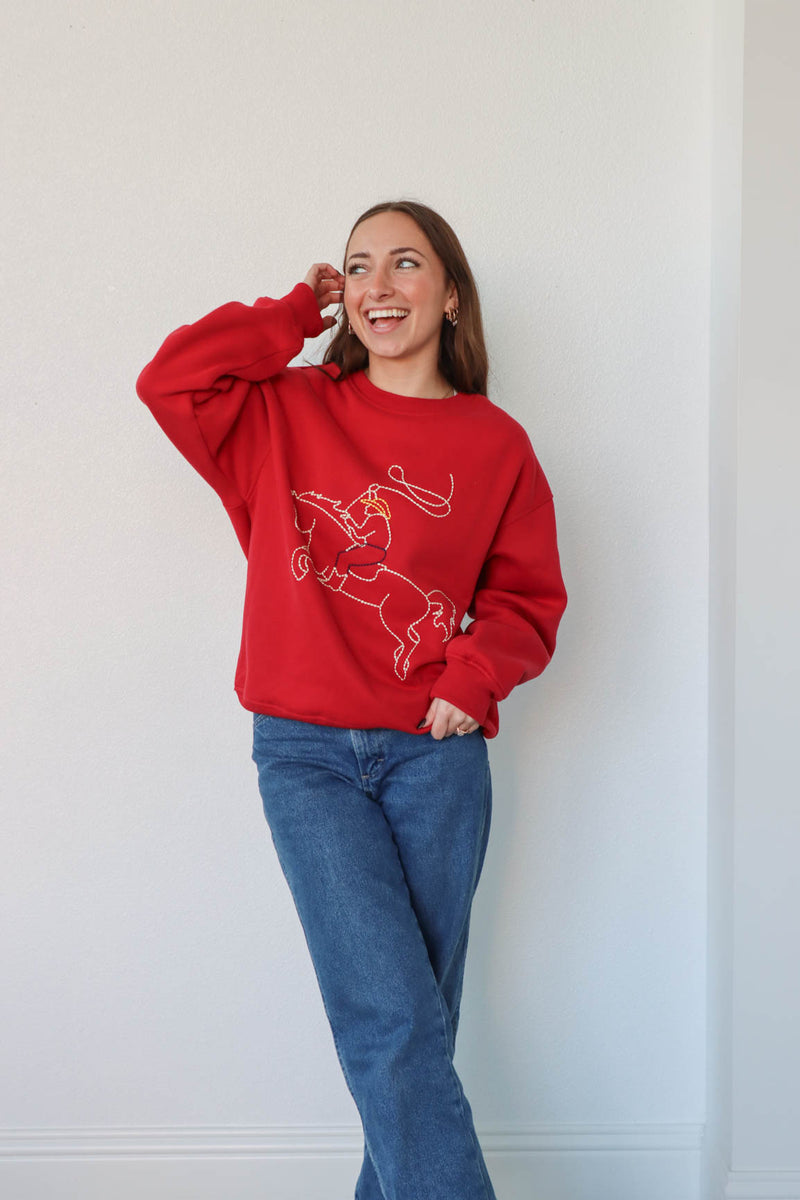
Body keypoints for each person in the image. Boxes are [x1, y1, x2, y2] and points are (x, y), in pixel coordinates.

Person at [136, 199, 567, 1200]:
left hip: (434, 760)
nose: (378, 285)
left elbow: (525, 598)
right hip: (306, 757)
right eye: (357, 266)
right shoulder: (280, 411)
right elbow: (170, 379)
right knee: (394, 1025)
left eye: (405, 263)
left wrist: (471, 678)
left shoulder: (493, 443)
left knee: (413, 1029)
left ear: (449, 294)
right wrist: (292, 311)